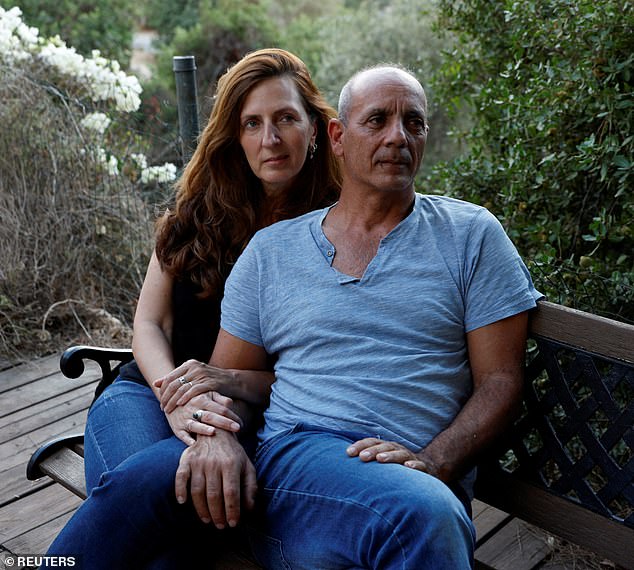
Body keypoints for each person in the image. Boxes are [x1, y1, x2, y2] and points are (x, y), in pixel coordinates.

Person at [176, 64, 544, 568]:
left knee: (421, 514)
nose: (398, 136)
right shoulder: (273, 251)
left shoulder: (471, 236)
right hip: (300, 463)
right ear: (338, 137)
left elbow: (500, 381)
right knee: (423, 517)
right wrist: (216, 439)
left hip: (416, 480)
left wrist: (434, 461)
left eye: (413, 123)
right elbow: (227, 384)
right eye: (377, 121)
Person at [44, 48, 340, 568]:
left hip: (253, 415)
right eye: (253, 123)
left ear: (315, 128)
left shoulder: (338, 230)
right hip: (147, 391)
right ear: (235, 136)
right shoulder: (195, 213)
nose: (270, 139)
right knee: (163, 515)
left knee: (166, 529)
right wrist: (176, 397)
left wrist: (214, 414)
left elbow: (319, 369)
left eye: (286, 119)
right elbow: (150, 324)